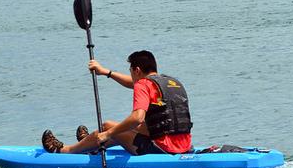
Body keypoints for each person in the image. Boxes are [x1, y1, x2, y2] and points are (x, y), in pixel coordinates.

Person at [41, 50, 193, 156]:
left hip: (161, 149)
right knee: (131, 128)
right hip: (183, 146)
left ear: (137, 70)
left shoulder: (143, 85)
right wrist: (107, 72)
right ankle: (92, 144)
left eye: (131, 71)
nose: (131, 75)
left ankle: (65, 151)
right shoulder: (170, 82)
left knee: (108, 126)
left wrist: (108, 133)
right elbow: (132, 83)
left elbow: (137, 117)